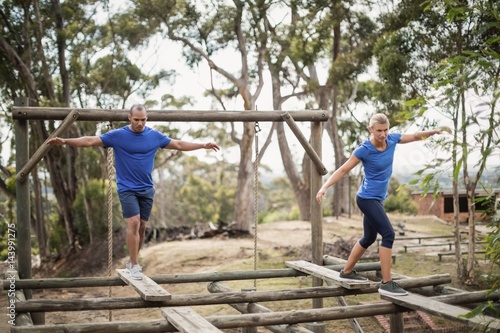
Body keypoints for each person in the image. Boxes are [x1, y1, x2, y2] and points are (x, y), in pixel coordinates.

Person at [47, 104, 220, 280]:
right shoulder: (118, 135)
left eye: (143, 120)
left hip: (147, 189)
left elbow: (178, 143)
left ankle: (132, 261)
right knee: (134, 223)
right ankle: (135, 265)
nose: (140, 123)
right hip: (127, 188)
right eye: (136, 119)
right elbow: (91, 141)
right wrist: (65, 141)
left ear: (147, 119)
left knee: (142, 227)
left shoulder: (154, 136)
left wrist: (202, 145)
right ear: (129, 118)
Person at [315, 113, 450, 296]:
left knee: (368, 238)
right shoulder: (364, 149)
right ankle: (387, 283)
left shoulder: (392, 139)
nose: (383, 134)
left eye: (386, 130)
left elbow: (416, 136)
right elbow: (344, 169)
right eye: (379, 130)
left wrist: (435, 131)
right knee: (388, 234)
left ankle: (346, 272)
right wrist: (324, 187)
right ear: (370, 129)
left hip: (376, 199)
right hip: (366, 199)